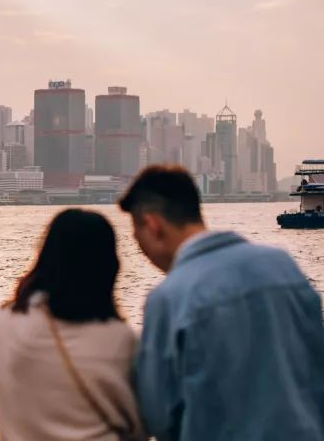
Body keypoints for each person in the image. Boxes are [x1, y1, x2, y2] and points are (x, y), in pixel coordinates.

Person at [120, 165, 324, 440]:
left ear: (152, 225)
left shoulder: (169, 298)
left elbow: (159, 415)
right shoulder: (282, 266)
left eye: (136, 235)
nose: (140, 248)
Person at [0, 209, 145, 441]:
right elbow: (137, 428)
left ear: (44, 259)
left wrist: (21, 301)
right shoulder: (123, 339)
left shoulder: (7, 328)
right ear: (110, 267)